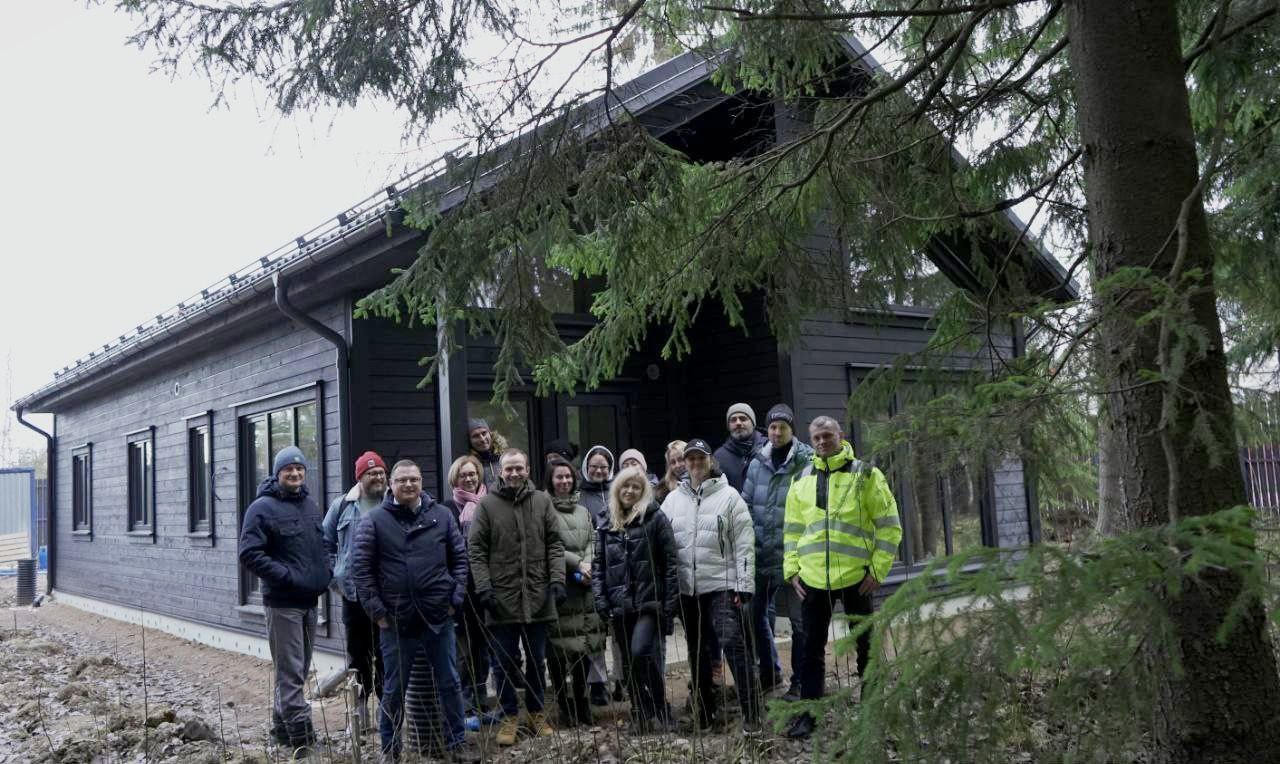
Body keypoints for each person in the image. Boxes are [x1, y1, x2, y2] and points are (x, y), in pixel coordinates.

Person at [783, 416, 901, 739]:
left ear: (841, 436)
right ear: (811, 441)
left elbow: (890, 524)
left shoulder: (866, 475)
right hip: (812, 581)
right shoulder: (802, 477)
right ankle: (809, 715)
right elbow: (792, 529)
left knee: (867, 647)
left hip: (856, 578)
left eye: (827, 436)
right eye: (817, 437)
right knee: (810, 650)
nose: (822, 442)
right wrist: (791, 569)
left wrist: (878, 569)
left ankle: (872, 712)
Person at [349, 459, 474, 761]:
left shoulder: (442, 516)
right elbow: (361, 570)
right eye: (402, 480)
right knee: (393, 691)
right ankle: (390, 752)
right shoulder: (375, 520)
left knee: (450, 683)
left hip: (438, 617)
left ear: (422, 483)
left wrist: (453, 600)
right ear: (391, 484)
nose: (408, 485)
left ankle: (457, 745)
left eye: (414, 480)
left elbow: (460, 560)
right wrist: (377, 612)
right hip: (395, 621)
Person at [660, 439, 761, 735]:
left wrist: (744, 585)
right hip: (687, 589)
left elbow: (744, 544)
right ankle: (704, 712)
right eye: (689, 459)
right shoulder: (672, 500)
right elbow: (663, 542)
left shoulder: (729, 497)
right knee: (697, 651)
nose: (694, 464)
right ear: (683, 463)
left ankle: (752, 712)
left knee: (732, 642)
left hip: (722, 585)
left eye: (699, 459)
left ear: (709, 461)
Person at [468, 449, 566, 746]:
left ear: (527, 469)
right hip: (501, 598)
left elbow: (555, 544)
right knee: (503, 662)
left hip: (538, 594)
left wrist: (558, 579)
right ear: (500, 470)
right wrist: (484, 587)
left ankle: (536, 712)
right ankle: (509, 715)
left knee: (537, 660)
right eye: (508, 469)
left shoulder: (542, 501)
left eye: (518, 468)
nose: (513, 473)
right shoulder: (486, 505)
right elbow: (476, 550)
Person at [238, 446, 332, 755]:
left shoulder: (309, 505)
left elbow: (322, 545)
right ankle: (303, 744)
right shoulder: (261, 508)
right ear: (277, 474)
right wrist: (286, 576)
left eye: (299, 469)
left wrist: (327, 570)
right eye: (287, 469)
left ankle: (281, 731)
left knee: (297, 671)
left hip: (309, 601)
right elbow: (249, 553)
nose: (294, 473)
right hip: (283, 603)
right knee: (291, 673)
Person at [593, 466, 680, 734]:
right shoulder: (607, 521)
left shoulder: (655, 518)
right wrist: (601, 599)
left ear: (643, 492)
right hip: (619, 604)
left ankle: (660, 707)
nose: (629, 491)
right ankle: (640, 713)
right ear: (617, 488)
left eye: (636, 487)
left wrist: (669, 606)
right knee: (628, 664)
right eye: (625, 486)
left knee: (642, 650)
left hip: (649, 602)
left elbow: (671, 564)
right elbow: (599, 565)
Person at [741, 404, 814, 698]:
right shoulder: (758, 461)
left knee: (800, 622)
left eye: (782, 426)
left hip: (795, 556)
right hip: (760, 554)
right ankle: (770, 674)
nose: (777, 431)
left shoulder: (806, 461)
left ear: (791, 429)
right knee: (753, 614)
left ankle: (801, 682)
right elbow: (746, 503)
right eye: (772, 427)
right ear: (767, 429)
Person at [321, 450, 388, 735]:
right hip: (353, 595)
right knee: (358, 656)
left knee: (386, 656)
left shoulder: (393, 503)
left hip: (386, 595)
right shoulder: (342, 506)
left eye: (381, 473)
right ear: (359, 477)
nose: (377, 477)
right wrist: (334, 577)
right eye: (371, 473)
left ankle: (388, 713)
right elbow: (325, 543)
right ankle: (358, 714)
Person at [544, 457, 607, 727]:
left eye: (568, 477)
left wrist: (590, 563)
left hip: (585, 586)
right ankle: (563, 706)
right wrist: (576, 563)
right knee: (559, 651)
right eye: (559, 477)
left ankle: (582, 704)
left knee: (584, 647)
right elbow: (549, 544)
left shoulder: (582, 511)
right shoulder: (543, 509)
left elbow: (593, 538)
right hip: (561, 587)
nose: (564, 481)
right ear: (551, 481)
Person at [439, 455, 494, 728]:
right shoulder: (447, 509)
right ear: (455, 479)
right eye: (464, 475)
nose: (469, 479)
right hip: (460, 588)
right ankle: (464, 705)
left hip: (484, 586)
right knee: (462, 650)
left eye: (473, 474)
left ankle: (482, 701)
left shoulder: (489, 505)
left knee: (482, 648)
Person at [579, 443, 621, 705]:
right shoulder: (580, 495)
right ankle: (597, 684)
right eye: (594, 466)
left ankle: (621, 681)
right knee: (594, 631)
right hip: (591, 570)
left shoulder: (619, 491)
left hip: (617, 571)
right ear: (586, 468)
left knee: (618, 632)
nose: (598, 471)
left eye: (603, 467)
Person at [714, 403, 767, 494]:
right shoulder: (719, 457)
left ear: (753, 423)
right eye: (733, 420)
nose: (738, 423)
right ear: (728, 426)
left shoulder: (769, 448)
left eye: (743, 419)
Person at [467, 418, 507, 490]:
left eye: (484, 433)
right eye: (476, 436)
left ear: (490, 434)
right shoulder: (468, 465)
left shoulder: (505, 459)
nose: (482, 439)